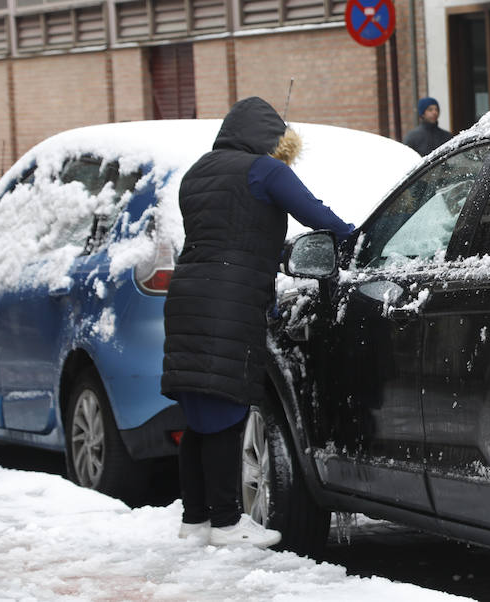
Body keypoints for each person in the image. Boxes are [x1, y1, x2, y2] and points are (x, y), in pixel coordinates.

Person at [161, 96, 353, 548]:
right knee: (227, 407)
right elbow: (315, 214)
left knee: (197, 412)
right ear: (269, 138)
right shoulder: (265, 171)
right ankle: (228, 523)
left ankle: (195, 521)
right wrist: (354, 237)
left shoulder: (197, 171)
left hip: (188, 295)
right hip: (231, 300)